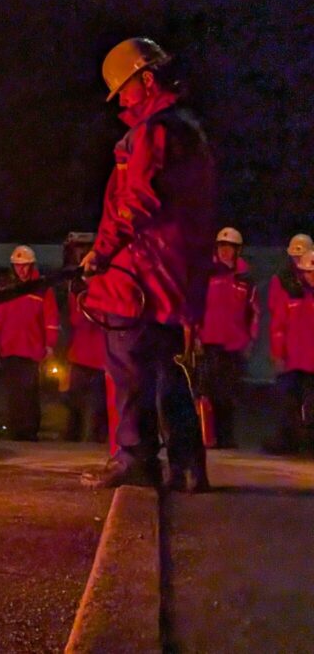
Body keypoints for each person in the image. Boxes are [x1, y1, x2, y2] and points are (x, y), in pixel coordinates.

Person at [79, 37, 215, 491]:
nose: (122, 101)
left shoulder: (152, 132)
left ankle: (134, 459)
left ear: (148, 79)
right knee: (168, 369)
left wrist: (102, 251)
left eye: (124, 91)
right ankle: (187, 465)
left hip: (139, 271)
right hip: (173, 273)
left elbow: (136, 200)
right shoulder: (189, 131)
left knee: (129, 369)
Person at [196, 227, 258, 448]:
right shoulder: (207, 274)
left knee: (228, 394)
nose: (224, 251)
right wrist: (195, 336)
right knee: (206, 393)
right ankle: (206, 437)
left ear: (237, 250)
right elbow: (195, 307)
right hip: (209, 342)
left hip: (234, 345)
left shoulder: (245, 279)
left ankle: (226, 438)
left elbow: (254, 312)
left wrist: (250, 340)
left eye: (229, 247)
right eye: (221, 246)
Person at [0, 246, 59, 440]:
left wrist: (50, 345)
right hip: (9, 347)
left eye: (25, 265)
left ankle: (29, 431)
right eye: (18, 266)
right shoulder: (6, 287)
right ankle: (16, 430)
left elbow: (50, 318)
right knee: (14, 392)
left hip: (31, 348)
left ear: (32, 265)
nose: (21, 270)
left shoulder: (42, 288)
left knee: (29, 391)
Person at [264, 249, 314, 454]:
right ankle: (289, 442)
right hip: (292, 360)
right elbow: (278, 327)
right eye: (308, 272)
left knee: (311, 405)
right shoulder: (290, 294)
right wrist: (278, 354)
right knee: (288, 403)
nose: (311, 276)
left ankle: (308, 443)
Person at [64, 289, 110, 443]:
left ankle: (94, 437)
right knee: (75, 401)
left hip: (97, 358)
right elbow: (75, 320)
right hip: (83, 356)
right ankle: (74, 437)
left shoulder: (86, 294)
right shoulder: (79, 294)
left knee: (97, 404)